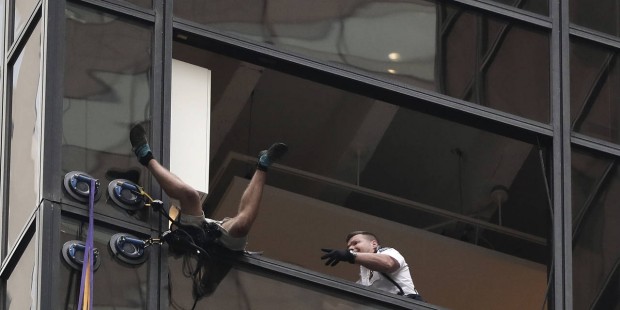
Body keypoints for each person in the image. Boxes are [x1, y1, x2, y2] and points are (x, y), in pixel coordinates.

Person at [129, 123, 287, 298]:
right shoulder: (214, 278)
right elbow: (210, 283)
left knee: (190, 196)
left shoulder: (202, 274)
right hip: (221, 242)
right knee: (242, 224)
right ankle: (263, 165)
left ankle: (145, 156)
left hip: (196, 236)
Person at [321, 231, 424, 302]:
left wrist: (350, 256)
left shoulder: (387, 252)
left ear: (373, 244)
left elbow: (388, 264)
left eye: (355, 243)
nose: (351, 248)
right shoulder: (364, 271)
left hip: (408, 304)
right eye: (348, 247)